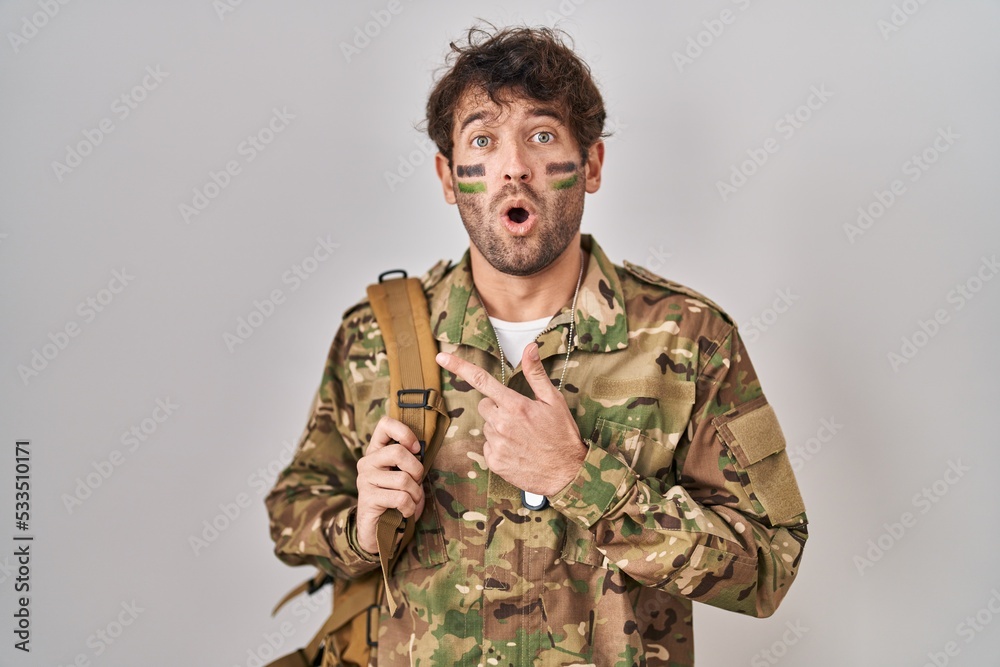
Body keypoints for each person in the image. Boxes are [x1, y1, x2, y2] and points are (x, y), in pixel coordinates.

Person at [265, 24, 808, 666]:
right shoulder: (374, 337)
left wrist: (581, 479)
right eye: (484, 140)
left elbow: (769, 565)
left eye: (542, 135)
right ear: (448, 176)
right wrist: (357, 528)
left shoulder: (691, 338)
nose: (514, 165)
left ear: (592, 165)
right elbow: (292, 511)